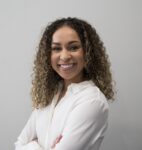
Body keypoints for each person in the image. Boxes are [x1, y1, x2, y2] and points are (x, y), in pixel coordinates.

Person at [15, 17, 114, 150]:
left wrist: (32, 145)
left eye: (73, 47)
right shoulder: (50, 94)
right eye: (56, 49)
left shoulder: (92, 101)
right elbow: (20, 143)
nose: (64, 56)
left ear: (88, 53)